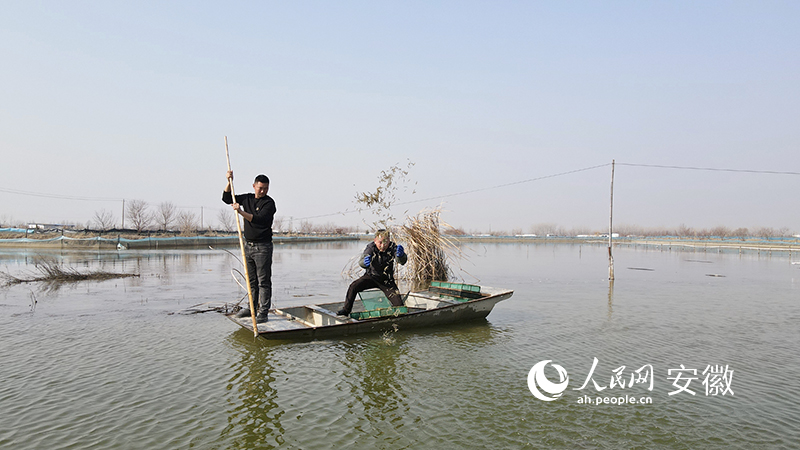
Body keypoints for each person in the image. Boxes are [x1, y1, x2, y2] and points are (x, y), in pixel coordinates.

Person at [223, 170, 276, 323]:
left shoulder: (269, 203)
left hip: (263, 247)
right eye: (260, 188)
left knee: (263, 281)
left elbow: (259, 220)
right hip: (248, 245)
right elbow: (227, 198)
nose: (263, 191)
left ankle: (263, 312)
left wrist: (240, 211)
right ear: (254, 186)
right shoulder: (247, 198)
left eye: (266, 188)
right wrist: (229, 181)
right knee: (251, 281)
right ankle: (252, 307)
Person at [338, 229, 407, 316]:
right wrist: (364, 263)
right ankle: (346, 310)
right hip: (371, 277)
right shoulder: (370, 247)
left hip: (387, 280)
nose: (383, 245)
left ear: (389, 240)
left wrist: (401, 256)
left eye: (385, 242)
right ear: (375, 241)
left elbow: (402, 261)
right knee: (353, 286)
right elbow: (362, 261)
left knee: (399, 307)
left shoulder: (393, 247)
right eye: (380, 242)